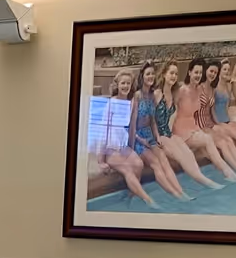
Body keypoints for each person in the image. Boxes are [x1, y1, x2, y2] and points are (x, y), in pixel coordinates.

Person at [151, 62, 224, 191]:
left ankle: (202, 178)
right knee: (181, 156)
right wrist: (157, 137)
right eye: (171, 73)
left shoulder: (174, 93)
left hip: (169, 134)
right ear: (164, 74)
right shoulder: (157, 94)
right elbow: (151, 119)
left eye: (176, 74)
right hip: (159, 136)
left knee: (188, 153)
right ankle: (206, 182)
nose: (174, 76)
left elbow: (173, 117)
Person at [94, 68, 159, 205]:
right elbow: (103, 131)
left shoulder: (131, 103)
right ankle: (148, 200)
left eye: (128, 83)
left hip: (123, 145)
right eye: (123, 83)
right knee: (128, 170)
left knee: (139, 164)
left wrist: (131, 148)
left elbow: (131, 129)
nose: (125, 86)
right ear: (117, 85)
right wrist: (101, 160)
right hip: (110, 148)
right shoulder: (111, 103)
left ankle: (132, 196)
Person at [174, 61, 236, 179]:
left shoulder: (205, 89)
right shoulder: (190, 89)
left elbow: (208, 111)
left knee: (226, 141)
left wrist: (215, 125)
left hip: (201, 126)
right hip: (193, 128)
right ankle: (231, 173)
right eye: (210, 71)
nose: (212, 74)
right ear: (190, 72)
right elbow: (176, 111)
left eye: (215, 72)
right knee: (218, 143)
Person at [129, 64, 190, 199]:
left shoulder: (152, 96)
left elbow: (152, 122)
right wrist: (137, 142)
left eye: (152, 74)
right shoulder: (137, 96)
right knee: (157, 165)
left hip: (150, 135)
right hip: (138, 137)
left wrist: (157, 136)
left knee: (164, 159)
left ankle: (181, 191)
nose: (150, 76)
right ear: (142, 77)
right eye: (147, 74)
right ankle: (175, 195)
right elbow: (131, 125)